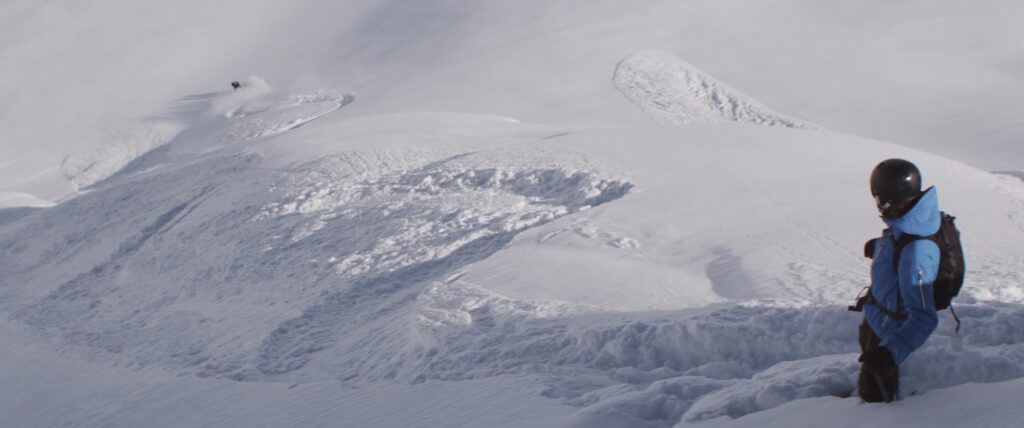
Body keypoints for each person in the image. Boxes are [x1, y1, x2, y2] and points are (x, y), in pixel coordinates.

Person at [857, 158, 940, 402]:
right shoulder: (910, 220)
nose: (877, 204)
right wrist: (881, 246)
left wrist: (889, 353)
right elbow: (901, 243)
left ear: (887, 201)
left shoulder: (916, 253)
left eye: (878, 198)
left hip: (888, 335)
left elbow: (924, 318)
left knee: (875, 402)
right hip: (878, 318)